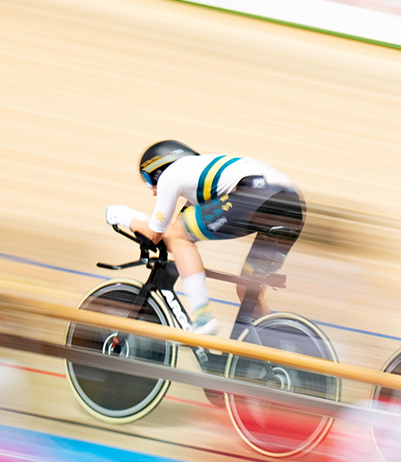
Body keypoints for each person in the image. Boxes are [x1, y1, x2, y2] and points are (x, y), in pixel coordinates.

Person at [104, 141, 306, 339]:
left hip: (259, 193)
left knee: (180, 235)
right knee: (247, 289)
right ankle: (276, 346)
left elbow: (158, 235)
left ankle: (203, 319)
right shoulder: (201, 185)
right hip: (293, 206)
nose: (153, 190)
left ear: (158, 168)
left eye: (148, 180)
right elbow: (176, 242)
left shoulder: (172, 174)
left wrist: (124, 215)